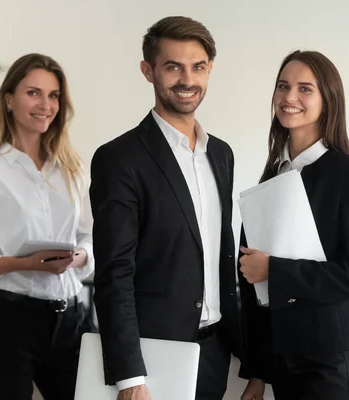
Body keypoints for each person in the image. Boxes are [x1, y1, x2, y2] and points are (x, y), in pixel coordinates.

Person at [89, 16, 241, 400]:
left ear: (210, 71)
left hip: (215, 351)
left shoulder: (221, 154)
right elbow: (114, 274)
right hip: (152, 356)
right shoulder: (119, 158)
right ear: (148, 71)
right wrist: (129, 376)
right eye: (173, 67)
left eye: (198, 67)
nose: (187, 80)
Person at [238, 50, 349, 400]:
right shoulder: (272, 177)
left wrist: (273, 268)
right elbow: (253, 283)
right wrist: (257, 373)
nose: (289, 97)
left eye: (305, 89)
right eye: (283, 86)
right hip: (287, 359)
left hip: (334, 358)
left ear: (327, 99)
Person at [0, 53, 94, 400]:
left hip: (71, 320)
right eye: (33, 93)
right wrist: (24, 264)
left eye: (53, 95)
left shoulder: (72, 169)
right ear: (9, 100)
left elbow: (89, 237)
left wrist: (79, 257)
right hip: (10, 321)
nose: (46, 105)